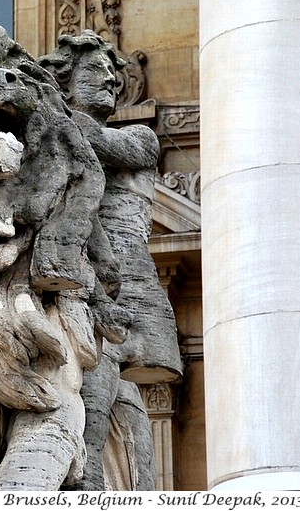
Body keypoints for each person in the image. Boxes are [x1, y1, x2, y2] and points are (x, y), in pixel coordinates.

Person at [41, 30, 182, 490]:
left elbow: (97, 144)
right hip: (77, 277)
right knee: (105, 381)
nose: (109, 82)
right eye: (94, 72)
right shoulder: (56, 137)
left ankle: (91, 476)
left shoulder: (136, 137)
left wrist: (50, 117)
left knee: (104, 362)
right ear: (66, 82)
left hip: (129, 280)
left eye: (111, 75)